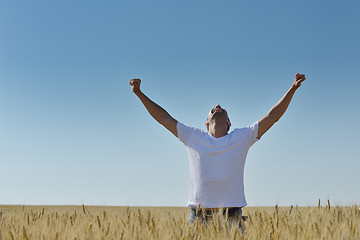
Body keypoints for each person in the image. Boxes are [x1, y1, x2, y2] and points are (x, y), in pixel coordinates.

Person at [129, 73, 306, 229]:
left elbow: (272, 116)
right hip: (198, 217)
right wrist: (139, 93)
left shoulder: (242, 137)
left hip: (232, 217)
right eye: (213, 110)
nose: (218, 105)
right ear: (206, 123)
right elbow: (163, 118)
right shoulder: (193, 136)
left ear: (229, 123)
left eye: (223, 110)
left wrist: (293, 88)